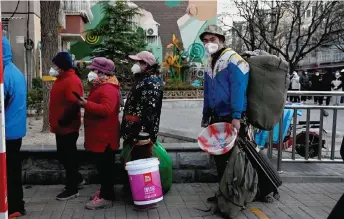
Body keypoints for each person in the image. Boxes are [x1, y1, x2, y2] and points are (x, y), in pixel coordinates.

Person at [199, 25, 249, 203]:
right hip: (216, 117)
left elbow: (238, 88)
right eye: (205, 41)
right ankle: (224, 193)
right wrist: (206, 116)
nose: (208, 43)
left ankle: (236, 195)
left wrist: (237, 116)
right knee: (220, 159)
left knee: (234, 160)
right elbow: (207, 91)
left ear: (221, 40)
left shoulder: (233, 59)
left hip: (231, 117)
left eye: (212, 39)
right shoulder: (209, 62)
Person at [121, 51, 163, 211]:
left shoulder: (151, 82)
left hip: (141, 133)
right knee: (136, 164)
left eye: (138, 62)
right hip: (134, 131)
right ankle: (138, 195)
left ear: (146, 64)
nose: (135, 65)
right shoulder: (144, 79)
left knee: (143, 166)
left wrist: (144, 135)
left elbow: (149, 111)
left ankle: (148, 201)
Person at [78, 57, 120, 209]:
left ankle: (106, 197)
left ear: (102, 72)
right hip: (100, 135)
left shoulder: (108, 88)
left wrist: (86, 104)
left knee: (106, 168)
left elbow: (106, 109)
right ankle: (104, 191)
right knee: (103, 167)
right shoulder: (101, 85)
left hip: (105, 137)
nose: (91, 73)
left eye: (94, 70)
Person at [49, 52, 85, 200]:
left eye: (56, 66)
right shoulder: (62, 78)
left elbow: (73, 104)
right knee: (63, 155)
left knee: (68, 157)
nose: (53, 68)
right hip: (61, 127)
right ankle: (76, 179)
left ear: (63, 67)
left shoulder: (71, 80)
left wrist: (62, 121)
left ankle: (72, 188)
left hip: (67, 127)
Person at [2, 37, 27, 218]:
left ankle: (13, 207)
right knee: (13, 170)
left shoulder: (5, 76)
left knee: (9, 172)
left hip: (7, 133)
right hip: (15, 130)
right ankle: (17, 205)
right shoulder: (15, 71)